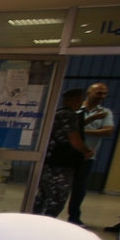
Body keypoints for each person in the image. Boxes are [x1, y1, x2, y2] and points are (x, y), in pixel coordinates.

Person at [33, 88, 90, 217]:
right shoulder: (68, 115)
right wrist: (86, 151)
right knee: (57, 198)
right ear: (75, 100)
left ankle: (34, 221)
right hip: (59, 164)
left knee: (44, 195)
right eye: (81, 99)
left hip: (50, 162)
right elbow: (74, 139)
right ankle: (45, 225)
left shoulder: (57, 113)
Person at [68, 82, 114, 226]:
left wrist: (80, 131)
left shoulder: (105, 113)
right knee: (58, 187)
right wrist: (80, 130)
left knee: (79, 189)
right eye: (99, 93)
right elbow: (66, 127)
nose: (102, 96)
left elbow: (108, 131)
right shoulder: (75, 109)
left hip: (86, 157)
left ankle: (74, 217)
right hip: (66, 155)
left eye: (104, 93)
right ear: (89, 93)